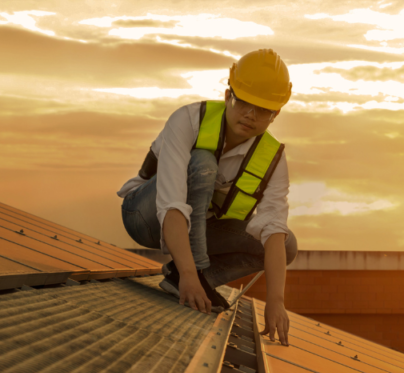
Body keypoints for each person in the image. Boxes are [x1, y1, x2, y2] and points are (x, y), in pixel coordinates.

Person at [117, 49, 297, 345]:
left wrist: (276, 300)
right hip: (145, 216)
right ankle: (193, 274)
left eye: (263, 109)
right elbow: (171, 204)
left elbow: (274, 230)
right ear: (228, 95)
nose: (250, 115)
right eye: (243, 103)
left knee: (286, 244)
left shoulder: (273, 159)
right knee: (202, 164)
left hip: (197, 231)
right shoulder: (189, 120)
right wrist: (192, 271)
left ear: (275, 114)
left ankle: (184, 279)